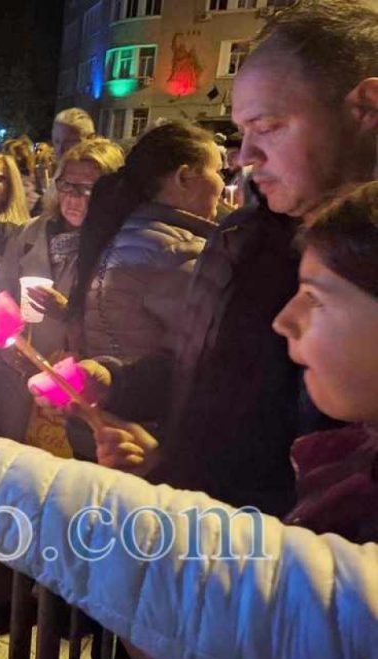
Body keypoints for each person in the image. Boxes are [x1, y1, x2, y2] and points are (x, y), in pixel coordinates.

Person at [0, 182, 378, 659]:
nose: (285, 320)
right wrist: (154, 455)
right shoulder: (338, 459)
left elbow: (247, 593)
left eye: (317, 295)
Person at [83, 0, 377, 516]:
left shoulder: (359, 268)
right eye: (243, 131)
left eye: (267, 126)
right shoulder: (239, 235)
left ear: (367, 108)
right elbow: (205, 369)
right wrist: (122, 386)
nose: (244, 157)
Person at [0, 138, 124, 442]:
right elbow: (0, 299)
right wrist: (7, 347)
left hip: (73, 387)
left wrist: (68, 313)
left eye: (88, 189)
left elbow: (117, 330)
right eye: (66, 185)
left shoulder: (117, 246)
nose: (74, 197)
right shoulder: (30, 233)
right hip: (19, 383)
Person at [65, 121, 223, 362]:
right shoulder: (174, 252)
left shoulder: (128, 234)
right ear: (184, 177)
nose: (222, 185)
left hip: (123, 391)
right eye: (218, 171)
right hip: (153, 396)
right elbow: (221, 345)